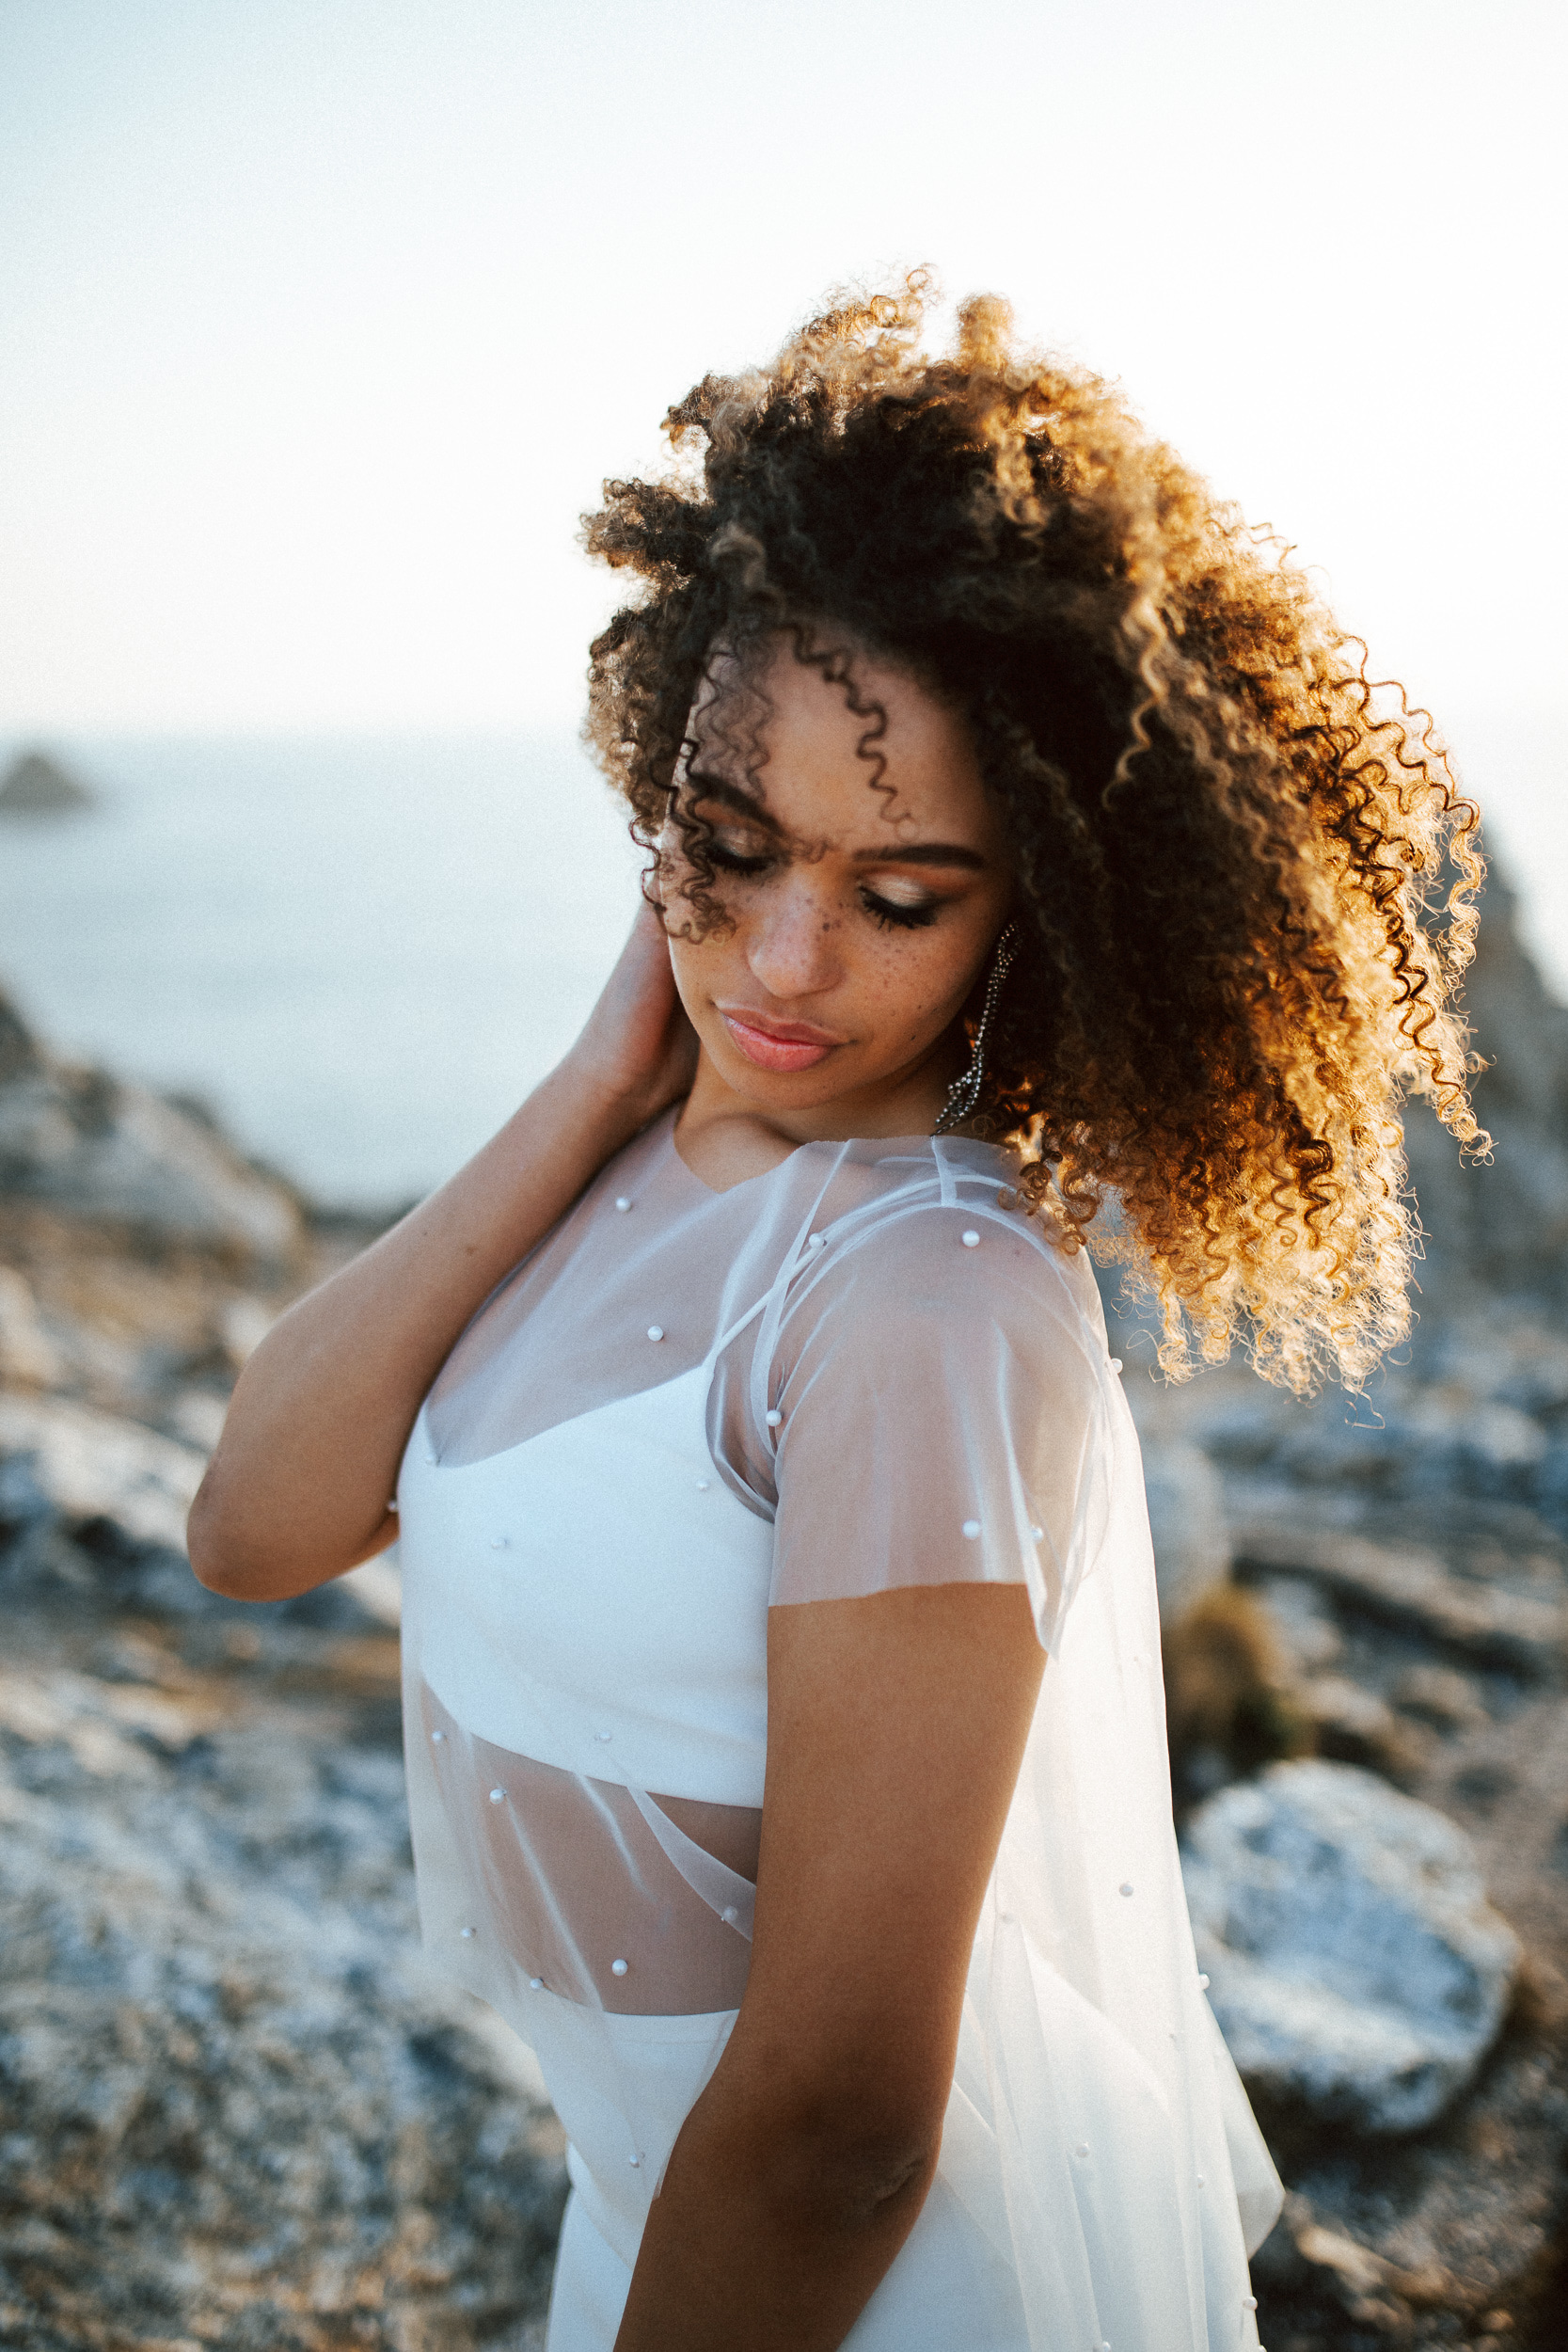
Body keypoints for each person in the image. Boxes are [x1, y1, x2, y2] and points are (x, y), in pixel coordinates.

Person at [188, 276, 1483, 2351]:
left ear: (1034, 903)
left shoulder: (924, 1298)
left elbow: (844, 2116)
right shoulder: (632, 1154)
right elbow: (251, 1524)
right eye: (728, 847)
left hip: (863, 2286)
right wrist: (598, 1080)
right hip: (654, 2219)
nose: (785, 960)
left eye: (899, 895)